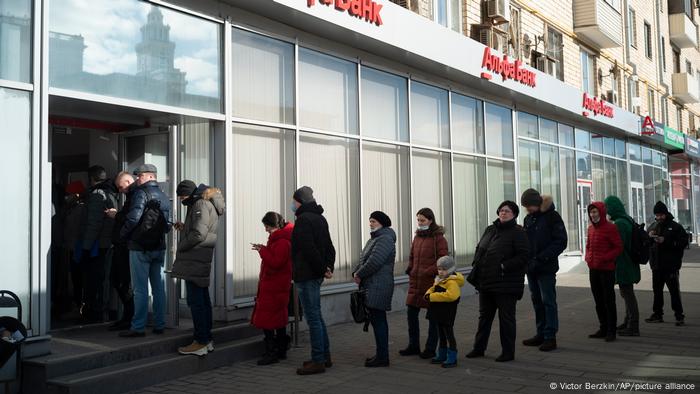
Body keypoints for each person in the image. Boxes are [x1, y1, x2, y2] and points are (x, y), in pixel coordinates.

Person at [466, 201, 529, 362]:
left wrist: (504, 266)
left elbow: (524, 256)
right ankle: (479, 348)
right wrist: (476, 263)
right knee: (484, 317)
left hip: (505, 283)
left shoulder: (518, 232)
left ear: (514, 214)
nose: (503, 213)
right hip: (486, 281)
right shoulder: (490, 229)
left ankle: (508, 352)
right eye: (501, 210)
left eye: (507, 211)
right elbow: (480, 248)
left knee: (506, 319)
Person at [170, 181, 225, 355]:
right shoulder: (204, 202)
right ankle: (206, 339)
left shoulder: (200, 203)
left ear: (188, 193)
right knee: (203, 301)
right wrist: (185, 228)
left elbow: (199, 234)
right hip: (200, 259)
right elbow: (200, 229)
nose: (181, 200)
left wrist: (181, 245)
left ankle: (200, 341)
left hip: (195, 259)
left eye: (181, 196)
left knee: (196, 303)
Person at [118, 164, 172, 338]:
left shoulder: (141, 193)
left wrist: (123, 236)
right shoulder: (164, 196)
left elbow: (133, 219)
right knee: (158, 288)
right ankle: (159, 324)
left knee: (140, 290)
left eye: (140, 176)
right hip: (159, 248)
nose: (137, 179)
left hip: (139, 248)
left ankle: (138, 327)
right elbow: (169, 224)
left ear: (150, 176)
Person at [290, 186, 336, 375]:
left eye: (293, 201)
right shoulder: (320, 218)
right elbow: (329, 247)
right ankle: (324, 356)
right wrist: (327, 268)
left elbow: (308, 249)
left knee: (313, 318)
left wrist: (320, 269)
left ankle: (318, 360)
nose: (292, 205)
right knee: (317, 316)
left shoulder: (303, 220)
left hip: (307, 275)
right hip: (315, 274)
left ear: (300, 201)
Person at [520, 189, 567, 352]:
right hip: (531, 268)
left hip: (545, 267)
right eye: (526, 207)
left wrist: (541, 258)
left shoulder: (553, 217)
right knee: (537, 301)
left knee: (548, 302)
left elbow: (561, 241)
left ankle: (550, 336)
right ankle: (540, 333)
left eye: (530, 206)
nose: (528, 209)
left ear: (537, 203)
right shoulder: (528, 219)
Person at [401, 208, 449, 360]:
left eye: (422, 220)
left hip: (431, 282)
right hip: (415, 281)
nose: (420, 223)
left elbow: (443, 260)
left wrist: (429, 271)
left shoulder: (438, 238)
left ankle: (430, 348)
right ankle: (413, 345)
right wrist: (411, 268)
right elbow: (412, 256)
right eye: (418, 220)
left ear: (430, 220)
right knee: (411, 314)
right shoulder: (417, 237)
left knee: (433, 318)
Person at [352, 211, 396, 368]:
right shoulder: (375, 238)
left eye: (374, 221)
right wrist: (356, 272)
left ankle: (383, 357)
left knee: (379, 321)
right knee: (377, 320)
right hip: (372, 284)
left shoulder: (385, 239)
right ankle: (381, 355)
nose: (371, 224)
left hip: (379, 285)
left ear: (382, 223)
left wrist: (359, 273)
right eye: (370, 221)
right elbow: (364, 259)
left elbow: (375, 262)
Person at [251, 212, 294, 365]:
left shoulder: (282, 242)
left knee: (268, 321)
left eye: (267, 226)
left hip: (274, 287)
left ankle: (271, 352)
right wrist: (263, 248)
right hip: (276, 287)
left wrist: (262, 251)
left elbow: (276, 263)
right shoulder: (280, 239)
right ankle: (280, 349)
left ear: (274, 226)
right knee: (278, 320)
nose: (266, 230)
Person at [80, 165, 118, 323]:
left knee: (94, 280)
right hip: (107, 243)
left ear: (91, 179)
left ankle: (94, 314)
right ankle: (100, 311)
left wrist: (85, 247)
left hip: (98, 245)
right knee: (102, 279)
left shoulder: (97, 194)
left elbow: (93, 224)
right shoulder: (111, 193)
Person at [645, 201, 689, 326]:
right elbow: (646, 242)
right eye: (657, 215)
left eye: (661, 215)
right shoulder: (653, 226)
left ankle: (679, 315)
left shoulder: (675, 227)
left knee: (674, 291)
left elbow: (683, 242)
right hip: (656, 265)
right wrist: (650, 236)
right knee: (657, 291)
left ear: (665, 214)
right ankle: (657, 314)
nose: (659, 217)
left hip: (670, 266)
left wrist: (666, 241)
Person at [585, 202, 623, 342]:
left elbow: (618, 247)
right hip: (593, 269)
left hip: (606, 270)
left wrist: (605, 258)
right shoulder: (590, 229)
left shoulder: (611, 228)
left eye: (595, 212)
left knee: (609, 300)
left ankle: (611, 330)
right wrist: (588, 258)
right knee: (598, 300)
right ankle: (603, 327)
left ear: (601, 212)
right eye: (591, 212)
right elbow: (588, 246)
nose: (593, 215)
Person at [604, 196, 641, 337]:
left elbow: (617, 245)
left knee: (627, 294)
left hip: (624, 264)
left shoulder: (619, 223)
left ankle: (633, 325)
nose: (606, 210)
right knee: (627, 293)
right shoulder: (627, 219)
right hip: (629, 263)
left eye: (607, 207)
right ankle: (628, 321)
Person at [105, 172, 136, 331]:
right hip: (121, 245)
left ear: (128, 181)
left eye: (121, 186)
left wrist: (116, 215)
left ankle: (130, 317)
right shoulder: (132, 196)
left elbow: (131, 219)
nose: (120, 190)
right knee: (118, 280)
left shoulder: (136, 195)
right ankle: (128, 317)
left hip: (125, 246)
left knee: (123, 282)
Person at [425, 256, 464, 368]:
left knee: (448, 334)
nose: (441, 271)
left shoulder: (451, 282)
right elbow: (432, 288)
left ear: (450, 270)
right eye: (439, 269)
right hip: (438, 311)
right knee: (441, 333)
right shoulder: (439, 280)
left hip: (447, 312)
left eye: (444, 269)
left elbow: (452, 296)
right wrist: (428, 294)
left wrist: (432, 296)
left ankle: (452, 356)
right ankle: (442, 354)